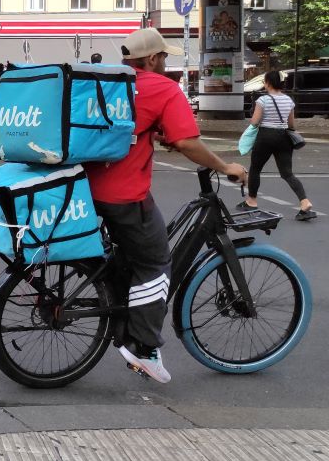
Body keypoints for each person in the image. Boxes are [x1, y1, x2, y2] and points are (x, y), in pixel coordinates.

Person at [84, 28, 247, 384]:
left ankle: (123, 318)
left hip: (87, 187)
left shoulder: (109, 82)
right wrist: (225, 166)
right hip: (124, 195)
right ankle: (143, 348)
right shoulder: (163, 88)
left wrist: (157, 135)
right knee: (157, 262)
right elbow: (188, 141)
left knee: (130, 259)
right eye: (164, 57)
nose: (166, 62)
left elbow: (126, 126)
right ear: (154, 58)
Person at [239, 71, 316, 221]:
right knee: (287, 173)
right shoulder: (289, 100)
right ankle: (304, 202)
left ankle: (252, 201)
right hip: (284, 138)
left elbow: (254, 122)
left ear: (267, 83)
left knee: (255, 168)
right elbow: (291, 124)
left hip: (266, 136)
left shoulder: (263, 100)